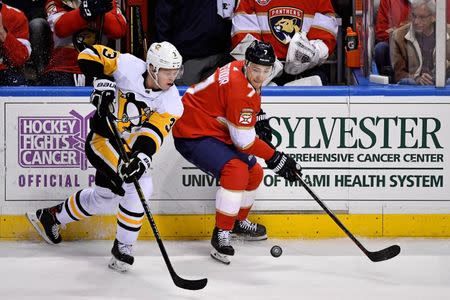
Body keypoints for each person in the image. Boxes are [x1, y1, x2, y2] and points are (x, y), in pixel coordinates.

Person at [26, 41, 184, 272]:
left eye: (175, 71)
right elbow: (89, 54)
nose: (172, 77)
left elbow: (153, 134)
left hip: (127, 149)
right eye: (167, 71)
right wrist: (103, 81)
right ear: (152, 68)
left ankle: (51, 217)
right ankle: (123, 247)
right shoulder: (127, 65)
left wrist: (141, 158)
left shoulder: (172, 101)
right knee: (140, 185)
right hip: (102, 141)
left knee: (104, 196)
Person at [172, 41, 302, 264]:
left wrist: (257, 115)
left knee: (255, 173)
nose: (260, 76)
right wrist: (276, 158)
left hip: (213, 126)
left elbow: (242, 101)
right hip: (192, 132)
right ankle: (221, 234)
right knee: (237, 171)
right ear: (248, 64)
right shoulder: (239, 90)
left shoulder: (241, 68)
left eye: (265, 71)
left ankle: (237, 222)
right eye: (256, 70)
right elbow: (244, 142)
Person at [231, 0, 338, 86]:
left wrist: (312, 53)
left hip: (307, 69)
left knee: (315, 83)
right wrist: (262, 60)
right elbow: (242, 35)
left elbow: (326, 34)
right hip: (264, 69)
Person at [41, 0, 126, 86]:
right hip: (63, 68)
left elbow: (118, 31)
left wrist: (97, 11)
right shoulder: (57, 2)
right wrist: (85, 11)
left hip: (99, 66)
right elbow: (60, 29)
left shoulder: (108, 2)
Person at [154, 0, 233, 86]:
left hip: (221, 58)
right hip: (187, 59)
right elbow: (162, 19)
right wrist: (166, 58)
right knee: (183, 96)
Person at [391, 0, 450, 84]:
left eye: (422, 17)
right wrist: (416, 79)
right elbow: (398, 74)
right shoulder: (398, 36)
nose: (416, 22)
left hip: (443, 85)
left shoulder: (448, 32)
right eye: (414, 16)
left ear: (433, 17)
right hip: (415, 88)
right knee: (408, 82)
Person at [3, 0, 51, 80]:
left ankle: (40, 72)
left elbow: (40, 8)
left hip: (35, 22)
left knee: (37, 25)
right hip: (11, 22)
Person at [374, 0, 411, 77]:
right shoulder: (387, 1)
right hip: (394, 44)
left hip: (421, 44)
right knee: (380, 48)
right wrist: (401, 33)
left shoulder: (426, 2)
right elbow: (381, 32)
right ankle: (387, 82)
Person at [0, 1, 31, 86]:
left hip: (4, 72)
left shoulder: (15, 15)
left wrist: (2, 32)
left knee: (17, 82)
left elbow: (20, 59)